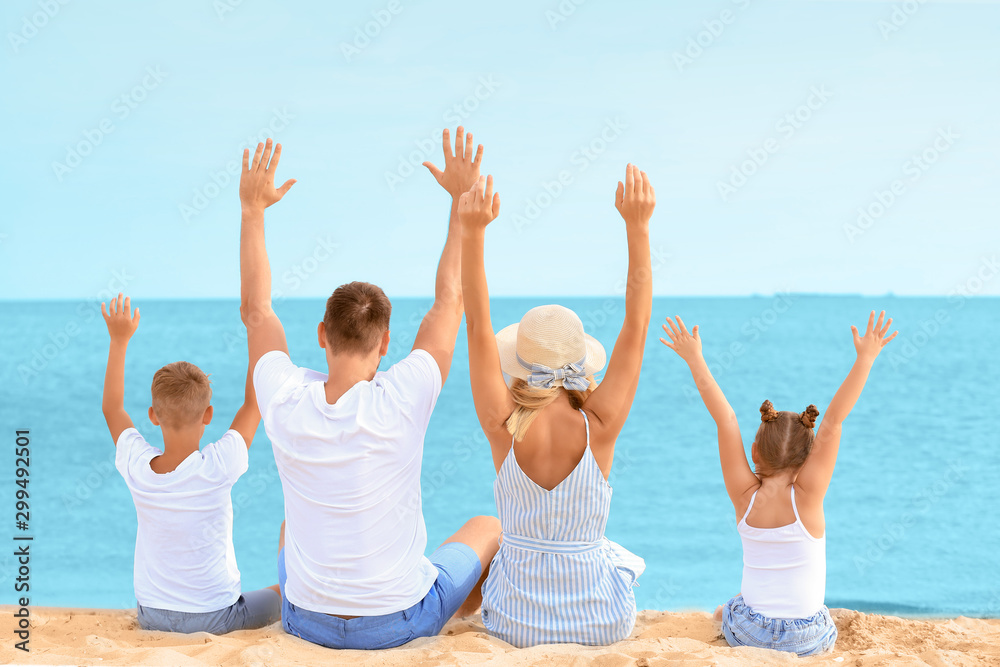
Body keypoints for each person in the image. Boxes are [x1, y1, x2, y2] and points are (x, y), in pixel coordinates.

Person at [238, 129, 501, 650]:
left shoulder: (283, 395)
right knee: (488, 525)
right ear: (385, 343)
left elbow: (257, 311)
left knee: (290, 530)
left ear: (321, 334)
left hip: (306, 622)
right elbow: (450, 302)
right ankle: (459, 612)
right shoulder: (405, 393)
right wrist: (460, 203)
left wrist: (252, 210)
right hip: (396, 623)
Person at [457, 165, 654, 647]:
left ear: (518, 363)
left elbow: (477, 325)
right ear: (581, 362)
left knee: (493, 540)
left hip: (514, 623)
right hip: (600, 623)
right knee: (609, 551)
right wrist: (638, 226)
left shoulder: (502, 423)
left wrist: (473, 232)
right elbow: (636, 325)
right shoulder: (600, 423)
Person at [659, 310, 898, 656]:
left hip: (750, 635)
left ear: (754, 450)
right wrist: (866, 358)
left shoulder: (744, 497)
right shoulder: (808, 499)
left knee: (734, 606)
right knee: (816, 615)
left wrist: (694, 358)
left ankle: (729, 615)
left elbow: (725, 420)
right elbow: (833, 421)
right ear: (809, 458)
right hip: (806, 639)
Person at [101, 293, 280, 634]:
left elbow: (113, 409)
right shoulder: (220, 464)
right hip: (216, 617)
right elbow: (253, 405)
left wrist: (119, 340)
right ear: (208, 415)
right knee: (287, 592)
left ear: (153, 415)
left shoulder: (138, 467)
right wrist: (254, 328)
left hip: (152, 615)